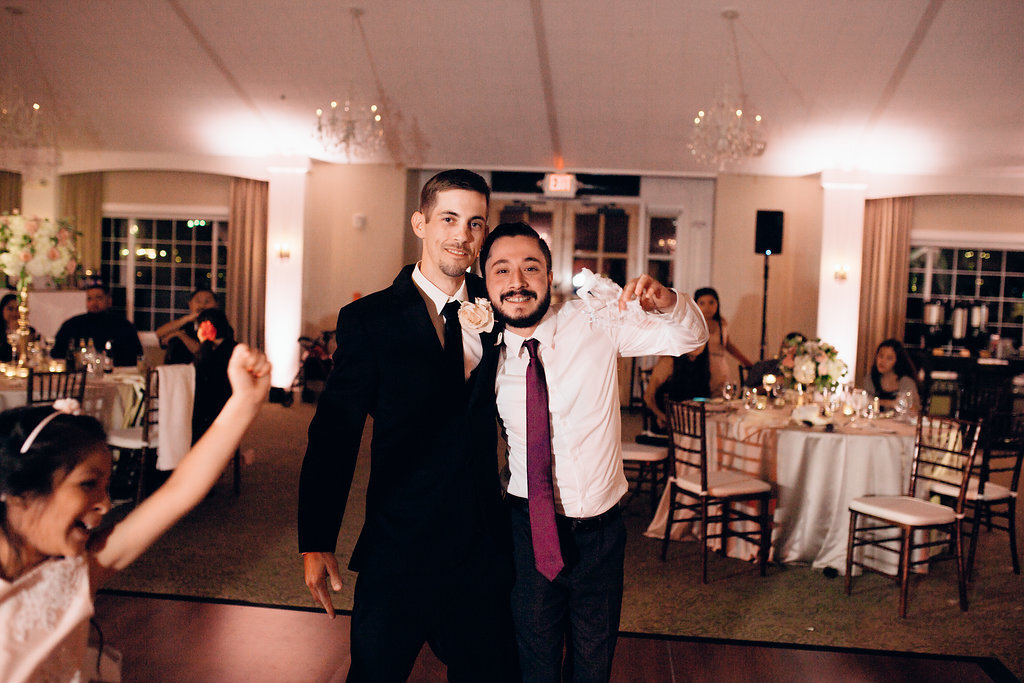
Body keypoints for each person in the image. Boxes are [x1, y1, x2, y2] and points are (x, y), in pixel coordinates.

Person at [298, 169, 517, 681]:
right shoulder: (368, 320)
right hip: (400, 544)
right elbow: (335, 435)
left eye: (475, 223)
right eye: (448, 219)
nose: (462, 235)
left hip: (480, 543)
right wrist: (316, 538)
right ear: (420, 223)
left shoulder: (502, 311)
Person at [481, 221, 708, 682]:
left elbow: (690, 340)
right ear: (485, 282)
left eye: (531, 267)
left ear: (550, 275)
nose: (518, 282)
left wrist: (666, 300)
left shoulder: (594, 321)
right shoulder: (480, 350)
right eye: (502, 270)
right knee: (536, 662)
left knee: (592, 661)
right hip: (527, 529)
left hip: (600, 533)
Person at [0, 345, 270, 681]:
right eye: (87, 484)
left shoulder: (76, 572)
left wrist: (246, 402)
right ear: (18, 491)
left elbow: (178, 492)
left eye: (106, 487)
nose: (105, 504)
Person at [51, 284, 143, 366]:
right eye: (89, 299)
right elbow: (57, 354)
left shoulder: (124, 326)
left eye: (99, 298)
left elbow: (135, 356)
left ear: (109, 301)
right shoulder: (72, 324)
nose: (94, 303)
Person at [190, 309, 237, 444]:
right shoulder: (221, 347)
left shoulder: (222, 349)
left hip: (218, 404)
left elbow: (206, 375)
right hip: (221, 402)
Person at [694, 287, 752, 394]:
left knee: (721, 399)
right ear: (696, 305)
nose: (707, 307)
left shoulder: (722, 323)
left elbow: (728, 345)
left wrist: (747, 362)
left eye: (711, 302)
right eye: (702, 303)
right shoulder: (694, 324)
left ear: (717, 304)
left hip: (720, 368)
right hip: (701, 367)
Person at [643, 344, 710, 433]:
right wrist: (663, 417)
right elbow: (648, 397)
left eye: (702, 340)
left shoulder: (702, 365)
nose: (698, 344)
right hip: (667, 425)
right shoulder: (669, 362)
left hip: (691, 424)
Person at [155, 287, 219, 365]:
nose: (202, 305)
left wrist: (179, 334)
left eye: (207, 301)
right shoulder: (183, 323)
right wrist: (187, 319)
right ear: (190, 304)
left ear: (216, 304)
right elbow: (159, 333)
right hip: (173, 370)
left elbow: (199, 350)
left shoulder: (220, 326)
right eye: (198, 301)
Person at [861, 338, 920, 411]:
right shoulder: (870, 379)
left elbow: (913, 410)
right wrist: (891, 403)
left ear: (897, 361)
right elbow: (865, 403)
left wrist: (882, 402)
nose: (882, 361)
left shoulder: (906, 382)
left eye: (889, 358)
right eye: (880, 356)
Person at [0, 293, 37, 363]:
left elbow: (30, 355)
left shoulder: (29, 331)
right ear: (2, 310)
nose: (14, 313)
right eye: (10, 309)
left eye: (17, 309)